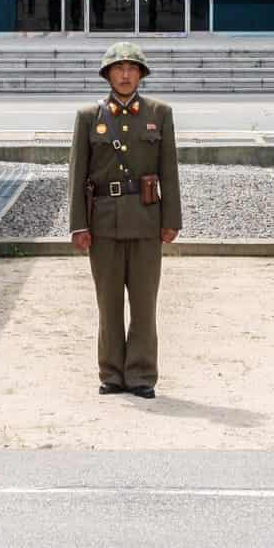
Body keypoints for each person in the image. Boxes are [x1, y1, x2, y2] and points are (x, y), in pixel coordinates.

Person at [68, 42, 181, 399]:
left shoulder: (159, 113)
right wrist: (78, 224)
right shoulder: (90, 117)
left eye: (132, 68)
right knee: (109, 302)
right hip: (103, 221)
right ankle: (112, 373)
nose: (126, 74)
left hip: (147, 220)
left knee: (145, 303)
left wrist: (171, 219)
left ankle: (142, 374)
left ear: (141, 74)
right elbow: (76, 174)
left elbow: (169, 171)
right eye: (119, 68)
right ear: (107, 74)